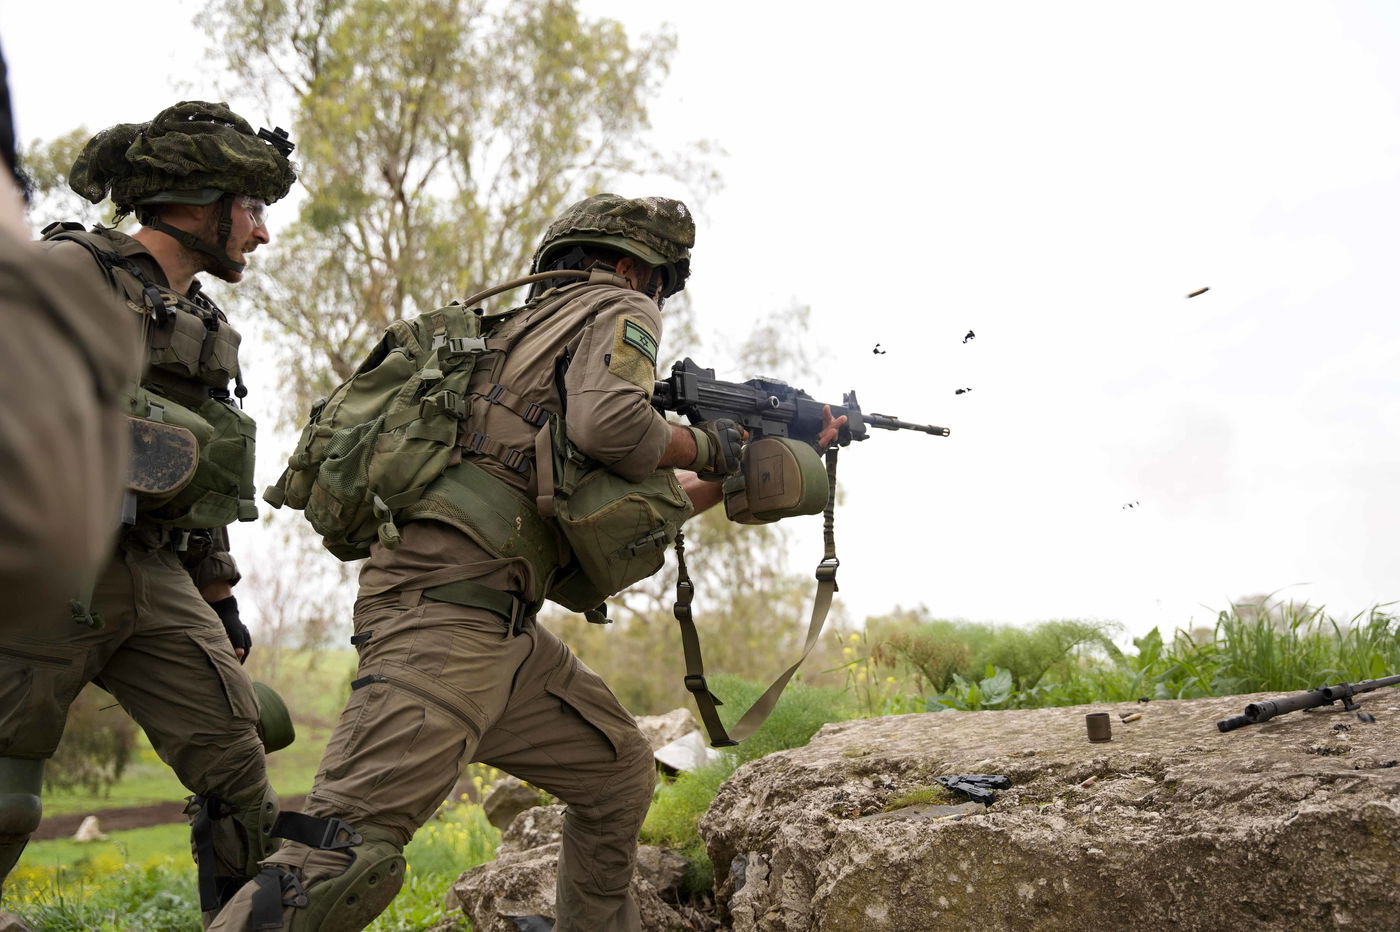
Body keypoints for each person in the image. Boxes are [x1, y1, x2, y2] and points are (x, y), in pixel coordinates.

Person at [210, 193, 840, 932]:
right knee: (339, 860)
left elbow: (606, 520)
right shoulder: (621, 306)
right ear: (638, 269)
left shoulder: (515, 347)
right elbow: (614, 424)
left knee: (615, 774)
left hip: (500, 629)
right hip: (446, 623)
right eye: (660, 283)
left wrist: (741, 469)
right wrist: (715, 446)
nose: (657, 297)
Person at [0, 100, 296, 925]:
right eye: (252, 210)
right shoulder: (68, 270)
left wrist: (222, 601)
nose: (261, 234)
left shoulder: (204, 322)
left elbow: (198, 480)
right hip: (47, 566)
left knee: (240, 771)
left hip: (155, 571)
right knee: (7, 800)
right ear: (201, 204)